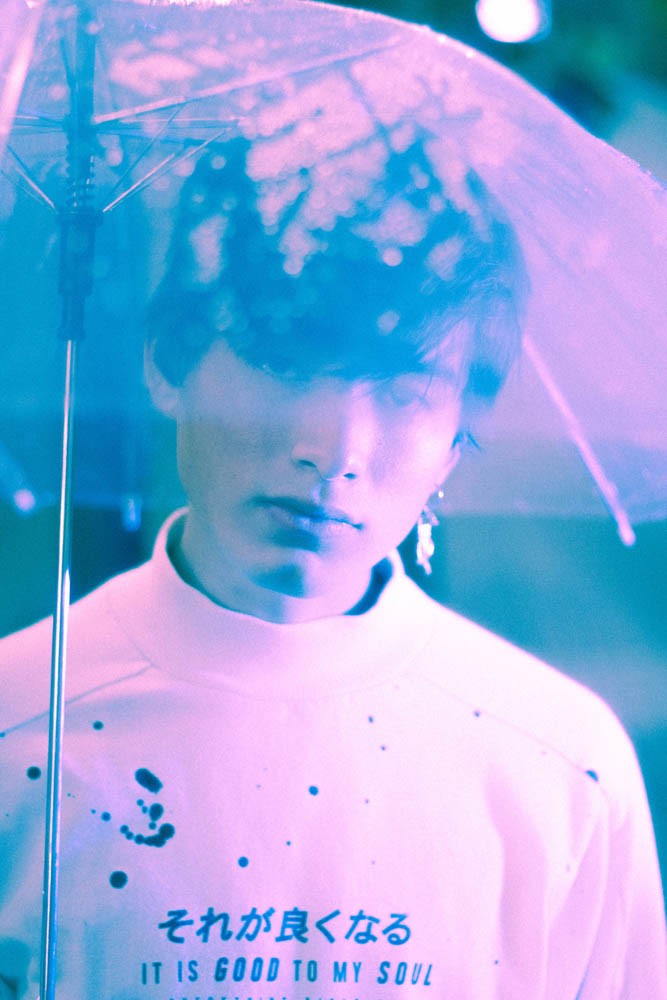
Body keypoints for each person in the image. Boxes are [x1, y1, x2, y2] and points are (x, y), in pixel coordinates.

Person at [0, 132, 665, 1000]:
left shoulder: (563, 765)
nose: (335, 449)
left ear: (457, 437)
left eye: (405, 392)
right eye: (286, 366)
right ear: (170, 362)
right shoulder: (23, 721)